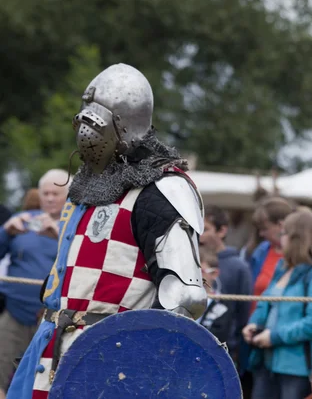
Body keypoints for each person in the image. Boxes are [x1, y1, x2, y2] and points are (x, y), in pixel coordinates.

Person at [7, 64, 208, 399]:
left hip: (111, 363)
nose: (86, 131)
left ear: (124, 123)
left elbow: (184, 300)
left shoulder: (161, 191)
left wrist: (140, 367)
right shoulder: (86, 187)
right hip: (51, 348)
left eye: (97, 119)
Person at [242, 207, 312, 399]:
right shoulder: (282, 268)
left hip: (301, 370)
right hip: (268, 365)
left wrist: (275, 336)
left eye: (284, 233)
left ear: (298, 238)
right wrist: (254, 324)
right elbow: (264, 304)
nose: (280, 238)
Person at [0, 170, 69, 397]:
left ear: (67, 195)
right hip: (14, 312)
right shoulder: (22, 222)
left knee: (47, 381)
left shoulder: (75, 227)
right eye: (45, 193)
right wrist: (5, 232)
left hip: (55, 320)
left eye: (56, 193)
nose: (49, 198)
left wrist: (59, 235)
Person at [200, 205, 252, 365]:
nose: (198, 234)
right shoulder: (187, 258)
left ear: (221, 231)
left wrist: (236, 349)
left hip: (224, 349)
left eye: (205, 229)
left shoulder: (238, 267)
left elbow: (243, 313)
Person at [248, 197, 294, 312]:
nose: (261, 234)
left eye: (265, 228)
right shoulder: (260, 252)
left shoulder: (300, 255)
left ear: (281, 225)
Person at [197, 247, 233, 345]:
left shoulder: (222, 306)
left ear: (214, 273)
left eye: (201, 271)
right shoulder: (179, 299)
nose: (194, 276)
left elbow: (219, 337)